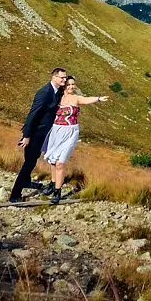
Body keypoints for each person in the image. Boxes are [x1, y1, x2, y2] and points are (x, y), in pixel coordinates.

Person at [42, 75, 109, 204]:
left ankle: (57, 192)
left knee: (60, 162)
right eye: (69, 85)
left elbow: (86, 99)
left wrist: (99, 98)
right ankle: (53, 183)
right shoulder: (57, 98)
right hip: (56, 131)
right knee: (53, 161)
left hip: (71, 132)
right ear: (64, 86)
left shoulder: (76, 98)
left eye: (73, 84)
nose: (71, 87)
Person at [8, 67, 68, 204]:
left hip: (45, 133)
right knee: (28, 163)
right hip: (35, 133)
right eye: (62, 78)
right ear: (53, 78)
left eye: (65, 78)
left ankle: (27, 182)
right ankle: (14, 195)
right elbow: (33, 114)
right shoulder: (44, 92)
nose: (64, 80)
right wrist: (27, 136)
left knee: (33, 159)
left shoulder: (57, 91)